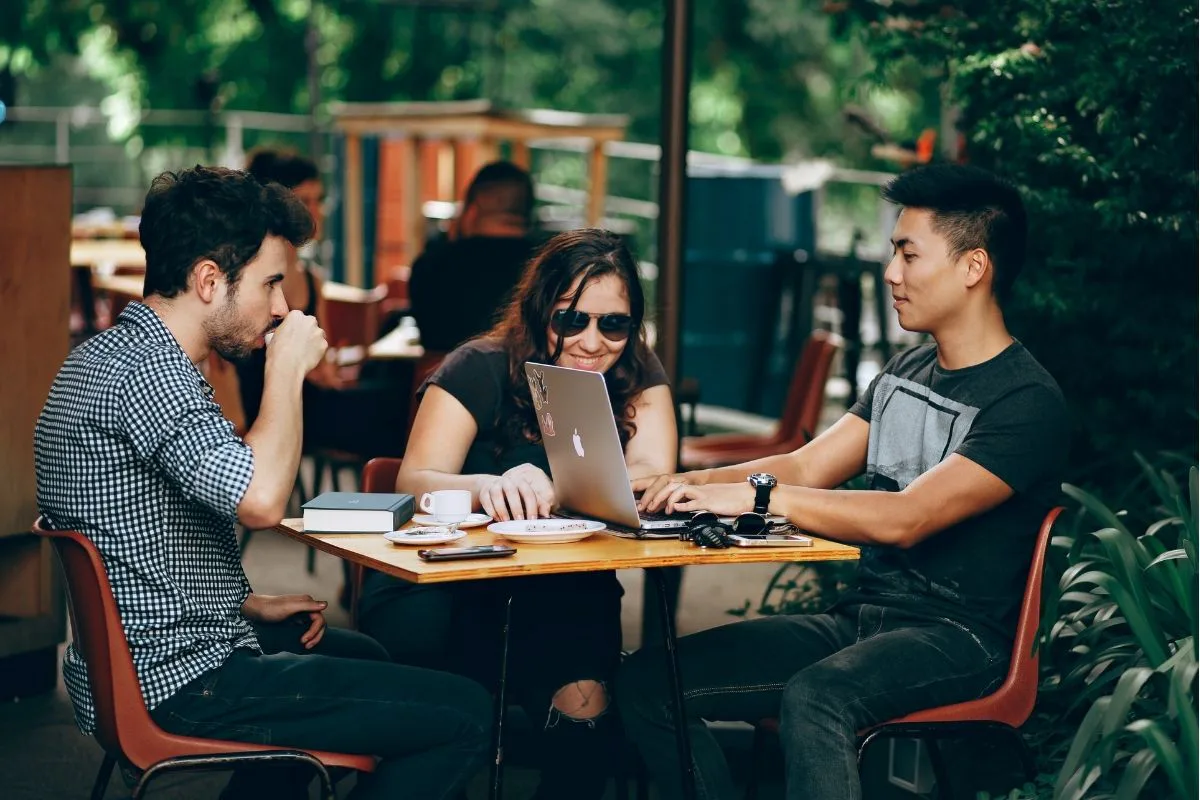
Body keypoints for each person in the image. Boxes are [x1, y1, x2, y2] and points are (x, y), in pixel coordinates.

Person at [34, 166, 491, 799]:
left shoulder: (106, 358)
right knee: (466, 713)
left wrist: (239, 603)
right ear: (208, 281)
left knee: (370, 661)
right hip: (178, 679)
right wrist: (286, 373)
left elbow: (133, 537)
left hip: (137, 660)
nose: (282, 306)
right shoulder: (150, 376)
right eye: (272, 283)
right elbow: (262, 500)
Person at [619, 164, 1070, 800]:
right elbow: (806, 466)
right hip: (861, 621)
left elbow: (907, 517)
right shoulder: (908, 368)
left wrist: (748, 495)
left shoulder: (1025, 401)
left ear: (974, 268)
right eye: (894, 253)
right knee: (649, 685)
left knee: (816, 697)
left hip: (961, 639)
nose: (892, 273)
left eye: (909, 254)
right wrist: (679, 483)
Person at [357, 228, 678, 799]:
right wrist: (491, 484)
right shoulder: (478, 366)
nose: (592, 340)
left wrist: (558, 486)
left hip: (560, 586)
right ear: (539, 313)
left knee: (586, 723)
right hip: (447, 581)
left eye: (614, 323)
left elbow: (652, 476)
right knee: (456, 710)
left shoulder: (634, 372)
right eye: (571, 319)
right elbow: (412, 484)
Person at [234, 148, 408, 460]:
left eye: (319, 200)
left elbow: (323, 367)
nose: (317, 211)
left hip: (310, 400)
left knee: (396, 390)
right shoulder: (246, 278)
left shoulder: (312, 280)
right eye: (305, 201)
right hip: (273, 405)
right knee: (397, 405)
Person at [408, 160, 539, 353]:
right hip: (521, 380)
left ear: (471, 211)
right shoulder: (546, 267)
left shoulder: (430, 266)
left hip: (443, 379)